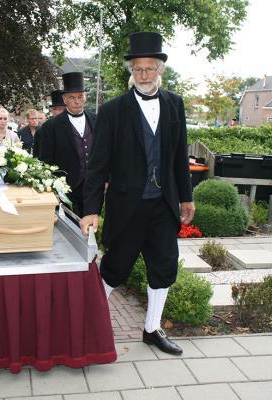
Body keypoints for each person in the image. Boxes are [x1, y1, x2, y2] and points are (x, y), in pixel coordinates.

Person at [80, 32, 195, 355]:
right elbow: (97, 165)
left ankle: (152, 329)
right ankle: (90, 327)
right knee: (115, 267)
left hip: (163, 204)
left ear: (160, 69)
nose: (144, 75)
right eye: (138, 69)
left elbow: (178, 155)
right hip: (127, 205)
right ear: (131, 70)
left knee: (164, 266)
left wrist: (186, 196)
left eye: (150, 69)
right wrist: (92, 209)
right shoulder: (114, 110)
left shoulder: (174, 103)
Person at [40, 73, 96, 216]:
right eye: (72, 97)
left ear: (85, 97)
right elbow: (44, 162)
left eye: (80, 97)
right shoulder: (51, 127)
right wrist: (52, 189)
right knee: (69, 230)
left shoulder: (97, 120)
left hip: (93, 188)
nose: (77, 101)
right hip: (66, 190)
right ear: (64, 99)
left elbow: (105, 152)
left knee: (90, 228)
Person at [33, 89, 66, 158]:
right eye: (59, 109)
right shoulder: (43, 130)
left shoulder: (74, 128)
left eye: (65, 109)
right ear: (52, 110)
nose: (63, 112)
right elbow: (37, 154)